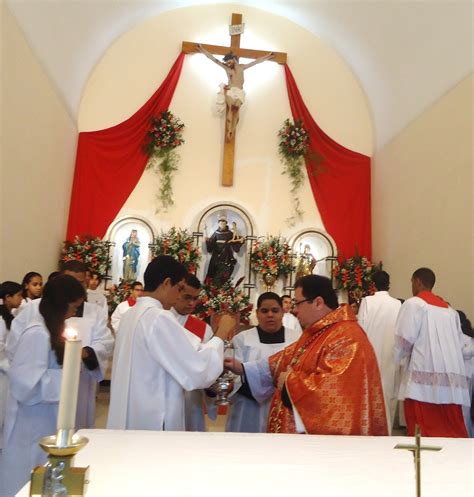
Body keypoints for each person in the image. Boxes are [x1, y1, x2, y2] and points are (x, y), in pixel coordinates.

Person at [226, 275, 388, 435]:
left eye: (298, 303)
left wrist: (289, 382)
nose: (295, 310)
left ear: (318, 302)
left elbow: (333, 392)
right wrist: (242, 368)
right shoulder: (322, 331)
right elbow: (286, 358)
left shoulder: (346, 337)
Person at [107, 255, 236, 431]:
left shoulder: (130, 314)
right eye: (179, 288)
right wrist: (221, 332)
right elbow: (197, 369)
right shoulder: (158, 317)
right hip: (153, 419)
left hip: (130, 413)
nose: (178, 297)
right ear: (167, 283)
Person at [0, 275, 85, 497]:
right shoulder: (37, 333)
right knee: (26, 480)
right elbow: (23, 384)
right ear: (61, 303)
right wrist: (65, 379)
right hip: (30, 422)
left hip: (46, 418)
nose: (74, 313)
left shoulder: (51, 329)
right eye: (73, 307)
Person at [6, 261, 114, 430]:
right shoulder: (35, 324)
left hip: (78, 389)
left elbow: (105, 342)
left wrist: (83, 354)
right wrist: (67, 374)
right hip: (37, 410)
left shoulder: (92, 311)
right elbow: (18, 360)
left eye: (80, 283)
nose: (73, 314)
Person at [394, 268, 472, 437]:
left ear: (417, 281)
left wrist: (397, 358)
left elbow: (404, 339)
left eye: (412, 282)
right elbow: (459, 343)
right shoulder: (450, 312)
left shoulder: (414, 304)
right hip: (449, 377)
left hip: (422, 370)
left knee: (423, 428)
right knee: (450, 427)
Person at [226, 292, 301, 433]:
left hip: (284, 408)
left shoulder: (296, 339)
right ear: (257, 313)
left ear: (283, 313)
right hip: (248, 408)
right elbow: (232, 379)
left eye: (275, 310)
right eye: (264, 311)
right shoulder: (242, 339)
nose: (270, 315)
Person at [197, 44, 274, 141]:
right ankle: (229, 131)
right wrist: (202, 49)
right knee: (230, 110)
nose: (228, 64)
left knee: (236, 111)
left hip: (240, 91)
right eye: (227, 63)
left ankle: (232, 131)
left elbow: (256, 62)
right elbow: (213, 59)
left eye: (229, 62)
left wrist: (268, 56)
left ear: (234, 59)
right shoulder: (227, 68)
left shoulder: (242, 67)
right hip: (231, 90)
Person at [357, 270, 401, 433]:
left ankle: (371, 431)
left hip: (371, 354)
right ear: (388, 284)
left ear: (373, 284)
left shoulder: (367, 301)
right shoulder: (397, 304)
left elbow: (360, 329)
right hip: (391, 353)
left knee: (371, 395)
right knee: (389, 394)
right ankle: (387, 432)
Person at [171, 273, 215, 431]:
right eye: (187, 297)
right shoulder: (161, 319)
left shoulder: (203, 329)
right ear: (176, 292)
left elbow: (209, 364)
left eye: (195, 298)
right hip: (163, 395)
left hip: (191, 399)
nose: (191, 303)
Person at [0, 282, 23, 449]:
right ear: (7, 298)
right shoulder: (1, 320)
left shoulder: (9, 317)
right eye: (19, 295)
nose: (21, 299)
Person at [205, 215, 244, 286]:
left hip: (227, 255)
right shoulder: (216, 233)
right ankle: (214, 287)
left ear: (226, 224)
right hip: (216, 256)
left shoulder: (229, 233)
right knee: (213, 271)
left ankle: (222, 288)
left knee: (224, 273)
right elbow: (211, 244)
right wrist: (208, 241)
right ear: (218, 224)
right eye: (220, 222)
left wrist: (241, 240)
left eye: (223, 223)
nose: (222, 224)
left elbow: (236, 239)